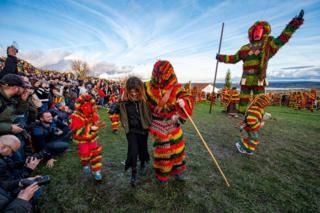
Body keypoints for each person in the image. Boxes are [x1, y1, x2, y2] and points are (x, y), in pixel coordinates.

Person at [216, 10, 304, 113]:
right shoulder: (245, 48)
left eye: (260, 29)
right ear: (251, 32)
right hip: (246, 78)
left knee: (259, 97)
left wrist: (294, 24)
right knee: (244, 96)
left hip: (259, 77)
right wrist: (220, 57)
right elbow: (234, 58)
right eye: (256, 30)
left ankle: (258, 113)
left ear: (264, 31)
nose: (257, 32)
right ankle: (241, 111)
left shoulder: (268, 45)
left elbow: (282, 38)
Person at [145, 60, 194, 185]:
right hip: (157, 123)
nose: (161, 78)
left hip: (173, 122)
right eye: (158, 74)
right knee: (163, 150)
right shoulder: (147, 87)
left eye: (163, 74)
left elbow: (187, 96)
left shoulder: (176, 88)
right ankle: (162, 175)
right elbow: (135, 94)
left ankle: (178, 171)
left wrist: (184, 101)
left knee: (177, 147)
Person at [109, 77, 152, 186]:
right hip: (131, 130)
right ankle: (134, 174)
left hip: (143, 129)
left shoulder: (145, 99)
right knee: (133, 151)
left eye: (136, 91)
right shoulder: (124, 100)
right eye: (131, 91)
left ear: (140, 90)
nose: (133, 94)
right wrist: (113, 107)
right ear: (128, 90)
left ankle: (143, 162)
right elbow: (117, 105)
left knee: (143, 148)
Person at [69, 94, 106, 181]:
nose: (88, 106)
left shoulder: (93, 113)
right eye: (85, 104)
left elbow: (95, 123)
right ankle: (85, 164)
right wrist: (90, 128)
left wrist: (98, 125)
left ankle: (97, 170)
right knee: (84, 152)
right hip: (82, 139)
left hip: (92, 137)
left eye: (90, 104)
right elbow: (76, 130)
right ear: (80, 105)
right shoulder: (75, 115)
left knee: (95, 152)